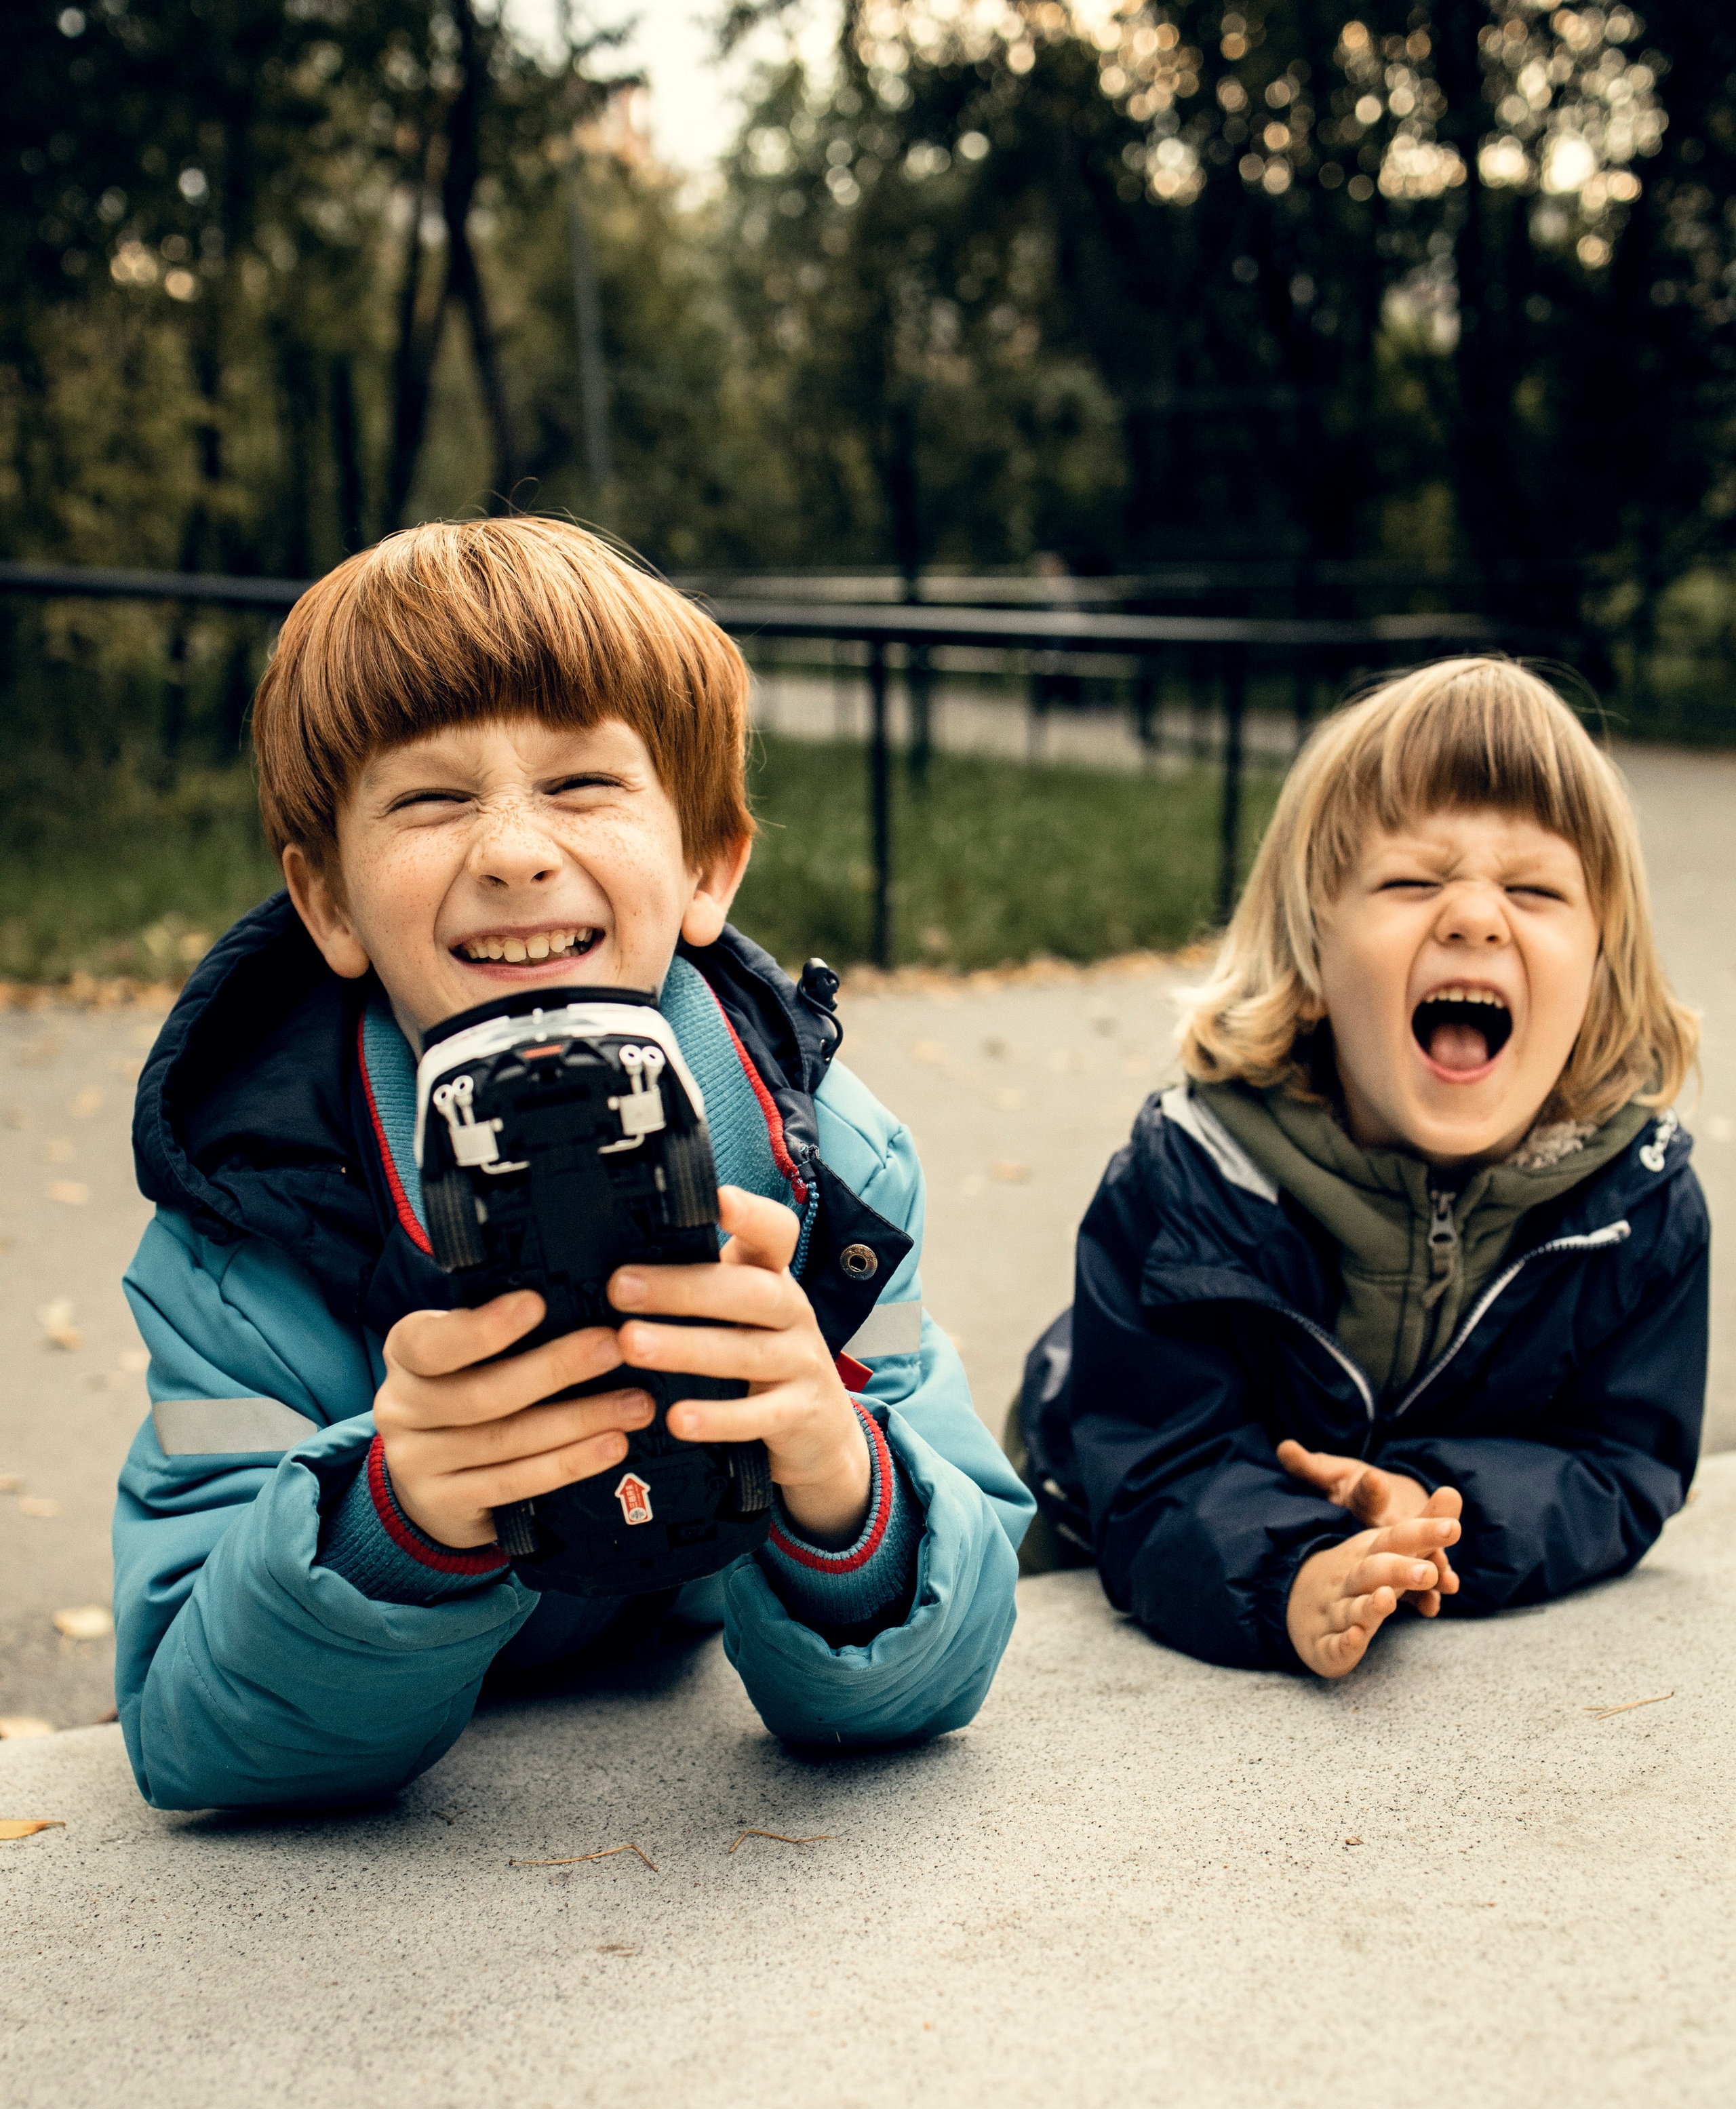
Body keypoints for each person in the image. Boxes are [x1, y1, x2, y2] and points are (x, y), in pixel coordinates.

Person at [115, 517, 1030, 1810]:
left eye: (584, 785)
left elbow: (934, 1666)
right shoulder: (245, 1244)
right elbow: (195, 1733)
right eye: (430, 799)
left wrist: (841, 1481)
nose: (512, 851)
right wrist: (398, 1518)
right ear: (328, 903)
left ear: (709, 863)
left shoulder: (837, 1178)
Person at [1014, 657, 1703, 1680]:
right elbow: (1156, 1475)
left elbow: (1623, 1462)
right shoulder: (1192, 1184)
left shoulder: (1636, 1207)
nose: (1475, 917)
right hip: (1094, 1527)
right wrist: (1294, 1572)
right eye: (1413, 882)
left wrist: (1430, 1514)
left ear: (1600, 969)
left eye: (1534, 889)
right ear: (1313, 958)